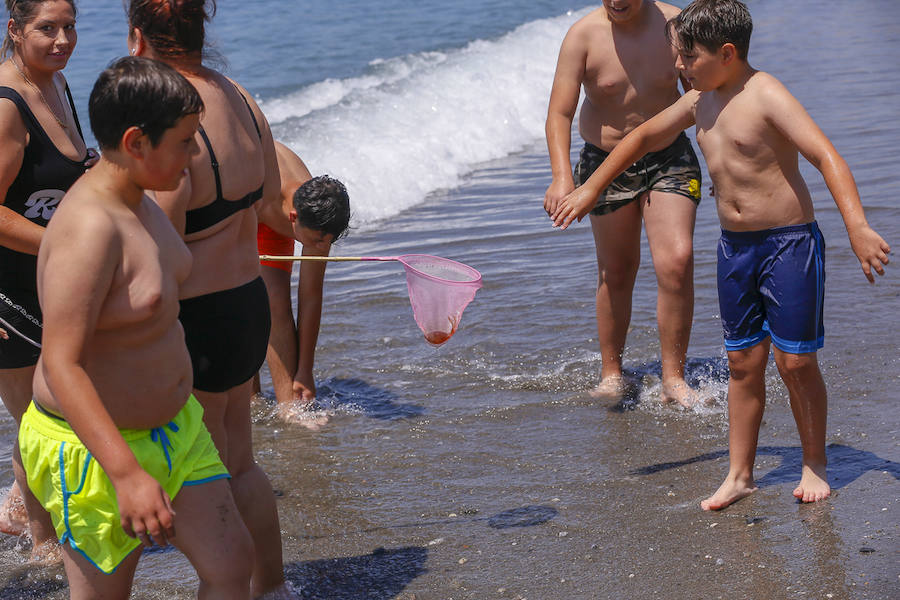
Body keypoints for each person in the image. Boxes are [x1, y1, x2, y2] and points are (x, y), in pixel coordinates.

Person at [551, 0, 890, 509]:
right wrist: (588, 188)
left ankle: (814, 462)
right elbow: (642, 136)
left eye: (687, 59)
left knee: (794, 363)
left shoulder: (767, 94)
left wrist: (857, 227)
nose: (679, 69)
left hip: (788, 244)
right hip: (736, 249)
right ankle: (740, 474)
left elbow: (826, 157)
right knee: (741, 363)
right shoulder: (700, 101)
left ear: (726, 53)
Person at [19, 55, 253, 598]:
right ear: (136, 142)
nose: (194, 155)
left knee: (231, 565)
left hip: (178, 428)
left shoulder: (146, 201)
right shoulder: (89, 229)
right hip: (95, 449)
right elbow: (61, 361)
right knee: (106, 593)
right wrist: (125, 473)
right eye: (185, 142)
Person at [127, 2, 294, 597]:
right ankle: (272, 588)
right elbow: (274, 205)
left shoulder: (174, 119)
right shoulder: (241, 97)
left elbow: (163, 254)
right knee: (241, 463)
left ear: (136, 38)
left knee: (209, 482)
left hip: (197, 322)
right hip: (249, 306)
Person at [544, 0, 704, 406]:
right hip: (603, 163)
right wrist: (562, 177)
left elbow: (703, 98)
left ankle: (674, 378)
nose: (616, 2)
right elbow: (559, 114)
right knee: (617, 270)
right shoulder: (583, 35)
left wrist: (724, 163)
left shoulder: (677, 24)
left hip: (669, 157)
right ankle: (612, 372)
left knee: (677, 260)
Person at [0, 0, 95, 557]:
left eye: (70, 27)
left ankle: (19, 509)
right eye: (47, 29)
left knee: (53, 407)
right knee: (41, 416)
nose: (62, 40)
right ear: (14, 30)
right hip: (8, 287)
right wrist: (66, 246)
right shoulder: (7, 106)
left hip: (52, 278)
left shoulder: (55, 83)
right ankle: (42, 544)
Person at [255, 141, 350, 428]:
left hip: (272, 218)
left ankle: (291, 405)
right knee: (244, 297)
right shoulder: (260, 182)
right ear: (294, 219)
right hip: (241, 206)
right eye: (319, 241)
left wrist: (305, 371)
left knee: (275, 300)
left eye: (328, 241)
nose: (324, 247)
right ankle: (249, 395)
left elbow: (310, 295)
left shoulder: (320, 216)